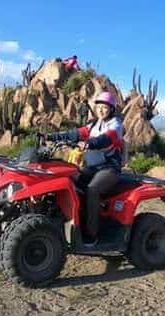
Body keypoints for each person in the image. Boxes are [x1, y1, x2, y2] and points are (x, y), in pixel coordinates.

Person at [47, 91, 124, 245]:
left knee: (92, 189)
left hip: (109, 168)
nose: (101, 110)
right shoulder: (94, 125)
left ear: (111, 109)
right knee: (69, 178)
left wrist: (90, 143)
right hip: (92, 167)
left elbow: (106, 138)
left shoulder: (116, 124)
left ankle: (91, 234)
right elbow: (75, 133)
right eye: (99, 107)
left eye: (105, 107)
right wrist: (51, 136)